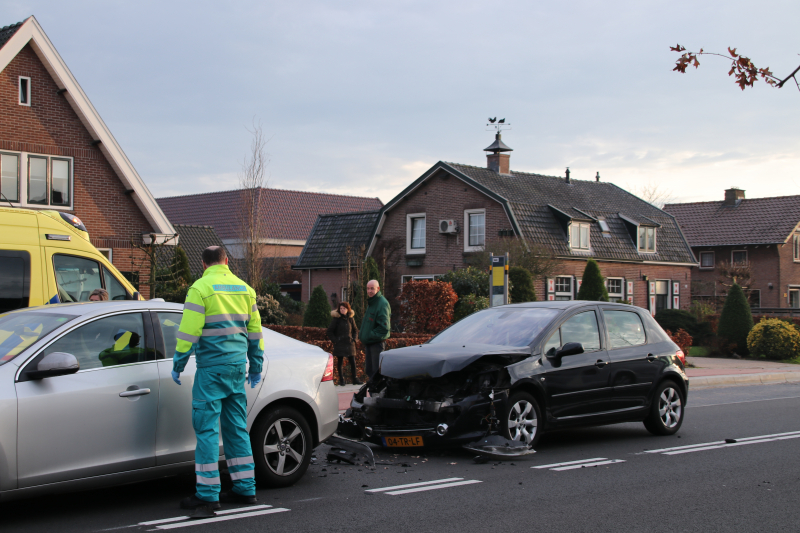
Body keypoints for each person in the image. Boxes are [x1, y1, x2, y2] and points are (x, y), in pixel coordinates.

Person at [171, 246, 264, 511]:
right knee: (236, 428)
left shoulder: (200, 289)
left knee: (207, 430)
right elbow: (255, 333)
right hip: (237, 368)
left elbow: (189, 333)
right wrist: (255, 366)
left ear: (203, 264)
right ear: (226, 261)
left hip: (211, 370)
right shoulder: (246, 290)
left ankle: (208, 494)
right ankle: (245, 489)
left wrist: (178, 364)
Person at [358, 279, 390, 381]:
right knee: (370, 371)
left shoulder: (382, 304)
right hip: (370, 343)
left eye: (372, 288)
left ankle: (377, 395)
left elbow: (384, 328)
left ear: (378, 289)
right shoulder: (372, 303)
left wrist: (370, 335)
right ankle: (373, 394)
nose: (369, 291)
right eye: (368, 288)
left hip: (376, 343)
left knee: (376, 372)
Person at [327, 301, 361, 385]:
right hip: (340, 343)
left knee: (352, 361)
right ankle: (341, 380)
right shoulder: (336, 319)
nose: (342, 310)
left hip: (350, 343)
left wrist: (354, 339)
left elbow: (355, 330)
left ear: (347, 309)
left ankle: (355, 379)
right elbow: (329, 331)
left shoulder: (350, 319)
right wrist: (335, 340)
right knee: (340, 362)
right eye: (341, 308)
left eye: (344, 308)